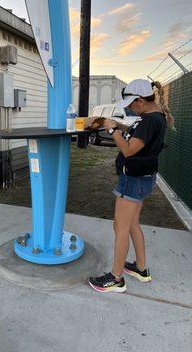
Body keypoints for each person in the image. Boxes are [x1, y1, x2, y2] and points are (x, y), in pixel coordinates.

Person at [88, 79, 174, 293]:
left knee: (121, 227)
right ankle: (141, 269)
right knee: (133, 223)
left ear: (140, 100)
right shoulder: (154, 118)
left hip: (134, 180)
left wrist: (111, 131)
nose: (129, 107)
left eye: (131, 104)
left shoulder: (148, 121)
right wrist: (118, 125)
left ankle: (116, 278)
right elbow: (137, 137)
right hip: (144, 177)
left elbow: (128, 150)